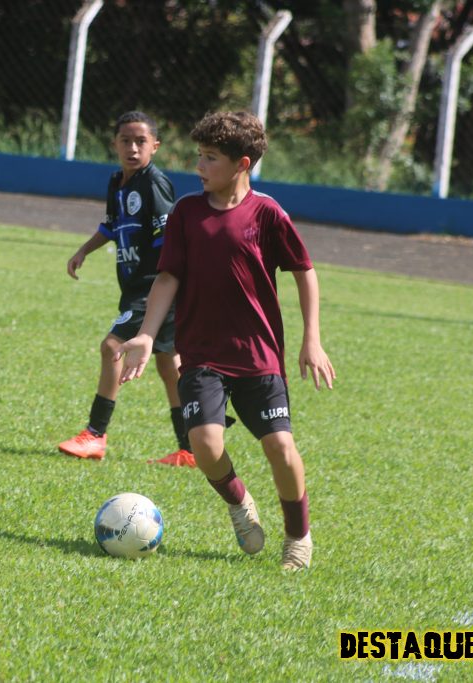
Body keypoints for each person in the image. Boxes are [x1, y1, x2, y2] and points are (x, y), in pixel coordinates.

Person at [116, 111, 335, 569]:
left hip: (258, 355)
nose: (199, 166)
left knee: (280, 448)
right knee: (205, 444)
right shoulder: (187, 213)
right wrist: (146, 335)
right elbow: (168, 277)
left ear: (242, 164)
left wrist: (311, 339)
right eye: (199, 155)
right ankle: (239, 503)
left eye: (211, 157)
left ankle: (298, 537)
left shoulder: (267, 213)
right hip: (201, 353)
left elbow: (304, 271)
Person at [57, 111, 194, 467]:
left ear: (155, 146)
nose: (133, 148)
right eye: (126, 141)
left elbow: (168, 236)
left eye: (140, 142)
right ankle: (191, 449)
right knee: (169, 365)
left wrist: (167, 284)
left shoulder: (154, 183)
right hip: (137, 288)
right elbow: (110, 225)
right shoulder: (117, 182)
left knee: (112, 347)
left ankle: (95, 435)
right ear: (115, 144)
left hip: (154, 287)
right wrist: (83, 251)